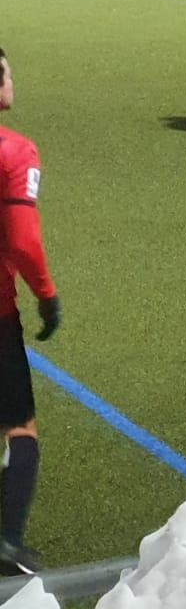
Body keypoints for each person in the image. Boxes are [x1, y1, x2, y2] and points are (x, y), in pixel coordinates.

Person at [0, 47, 63, 577]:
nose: (12, 79)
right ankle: (7, 542)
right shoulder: (16, 153)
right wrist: (46, 295)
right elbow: (23, 241)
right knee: (20, 426)